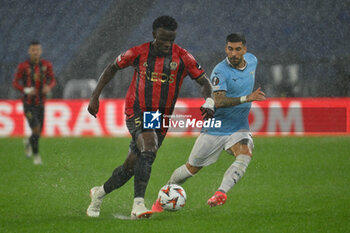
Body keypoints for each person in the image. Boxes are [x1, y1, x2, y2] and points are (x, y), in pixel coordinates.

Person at [86, 15, 214, 219]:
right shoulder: (138, 53)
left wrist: (209, 101)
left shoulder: (182, 57)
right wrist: (95, 97)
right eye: (163, 39)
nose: (167, 44)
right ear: (154, 34)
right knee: (149, 147)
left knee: (132, 165)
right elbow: (112, 68)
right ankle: (138, 205)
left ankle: (99, 193)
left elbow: (204, 81)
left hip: (160, 116)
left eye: (171, 40)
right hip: (137, 109)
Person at [152, 33, 266, 212]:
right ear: (225, 49)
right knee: (191, 168)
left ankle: (221, 193)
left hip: (239, 126)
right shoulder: (220, 71)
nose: (234, 53)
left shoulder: (252, 61)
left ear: (245, 49)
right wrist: (247, 98)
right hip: (216, 128)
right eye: (230, 49)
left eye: (237, 49)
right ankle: (163, 197)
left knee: (245, 152)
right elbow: (219, 101)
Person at [13, 40, 56, 165]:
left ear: (41, 51)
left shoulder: (46, 65)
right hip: (28, 104)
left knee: (39, 132)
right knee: (36, 129)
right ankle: (36, 156)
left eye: (37, 50)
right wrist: (24, 89)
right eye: (33, 50)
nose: (35, 52)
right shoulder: (23, 66)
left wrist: (49, 87)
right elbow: (15, 83)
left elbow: (52, 80)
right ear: (29, 51)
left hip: (41, 103)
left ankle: (28, 141)